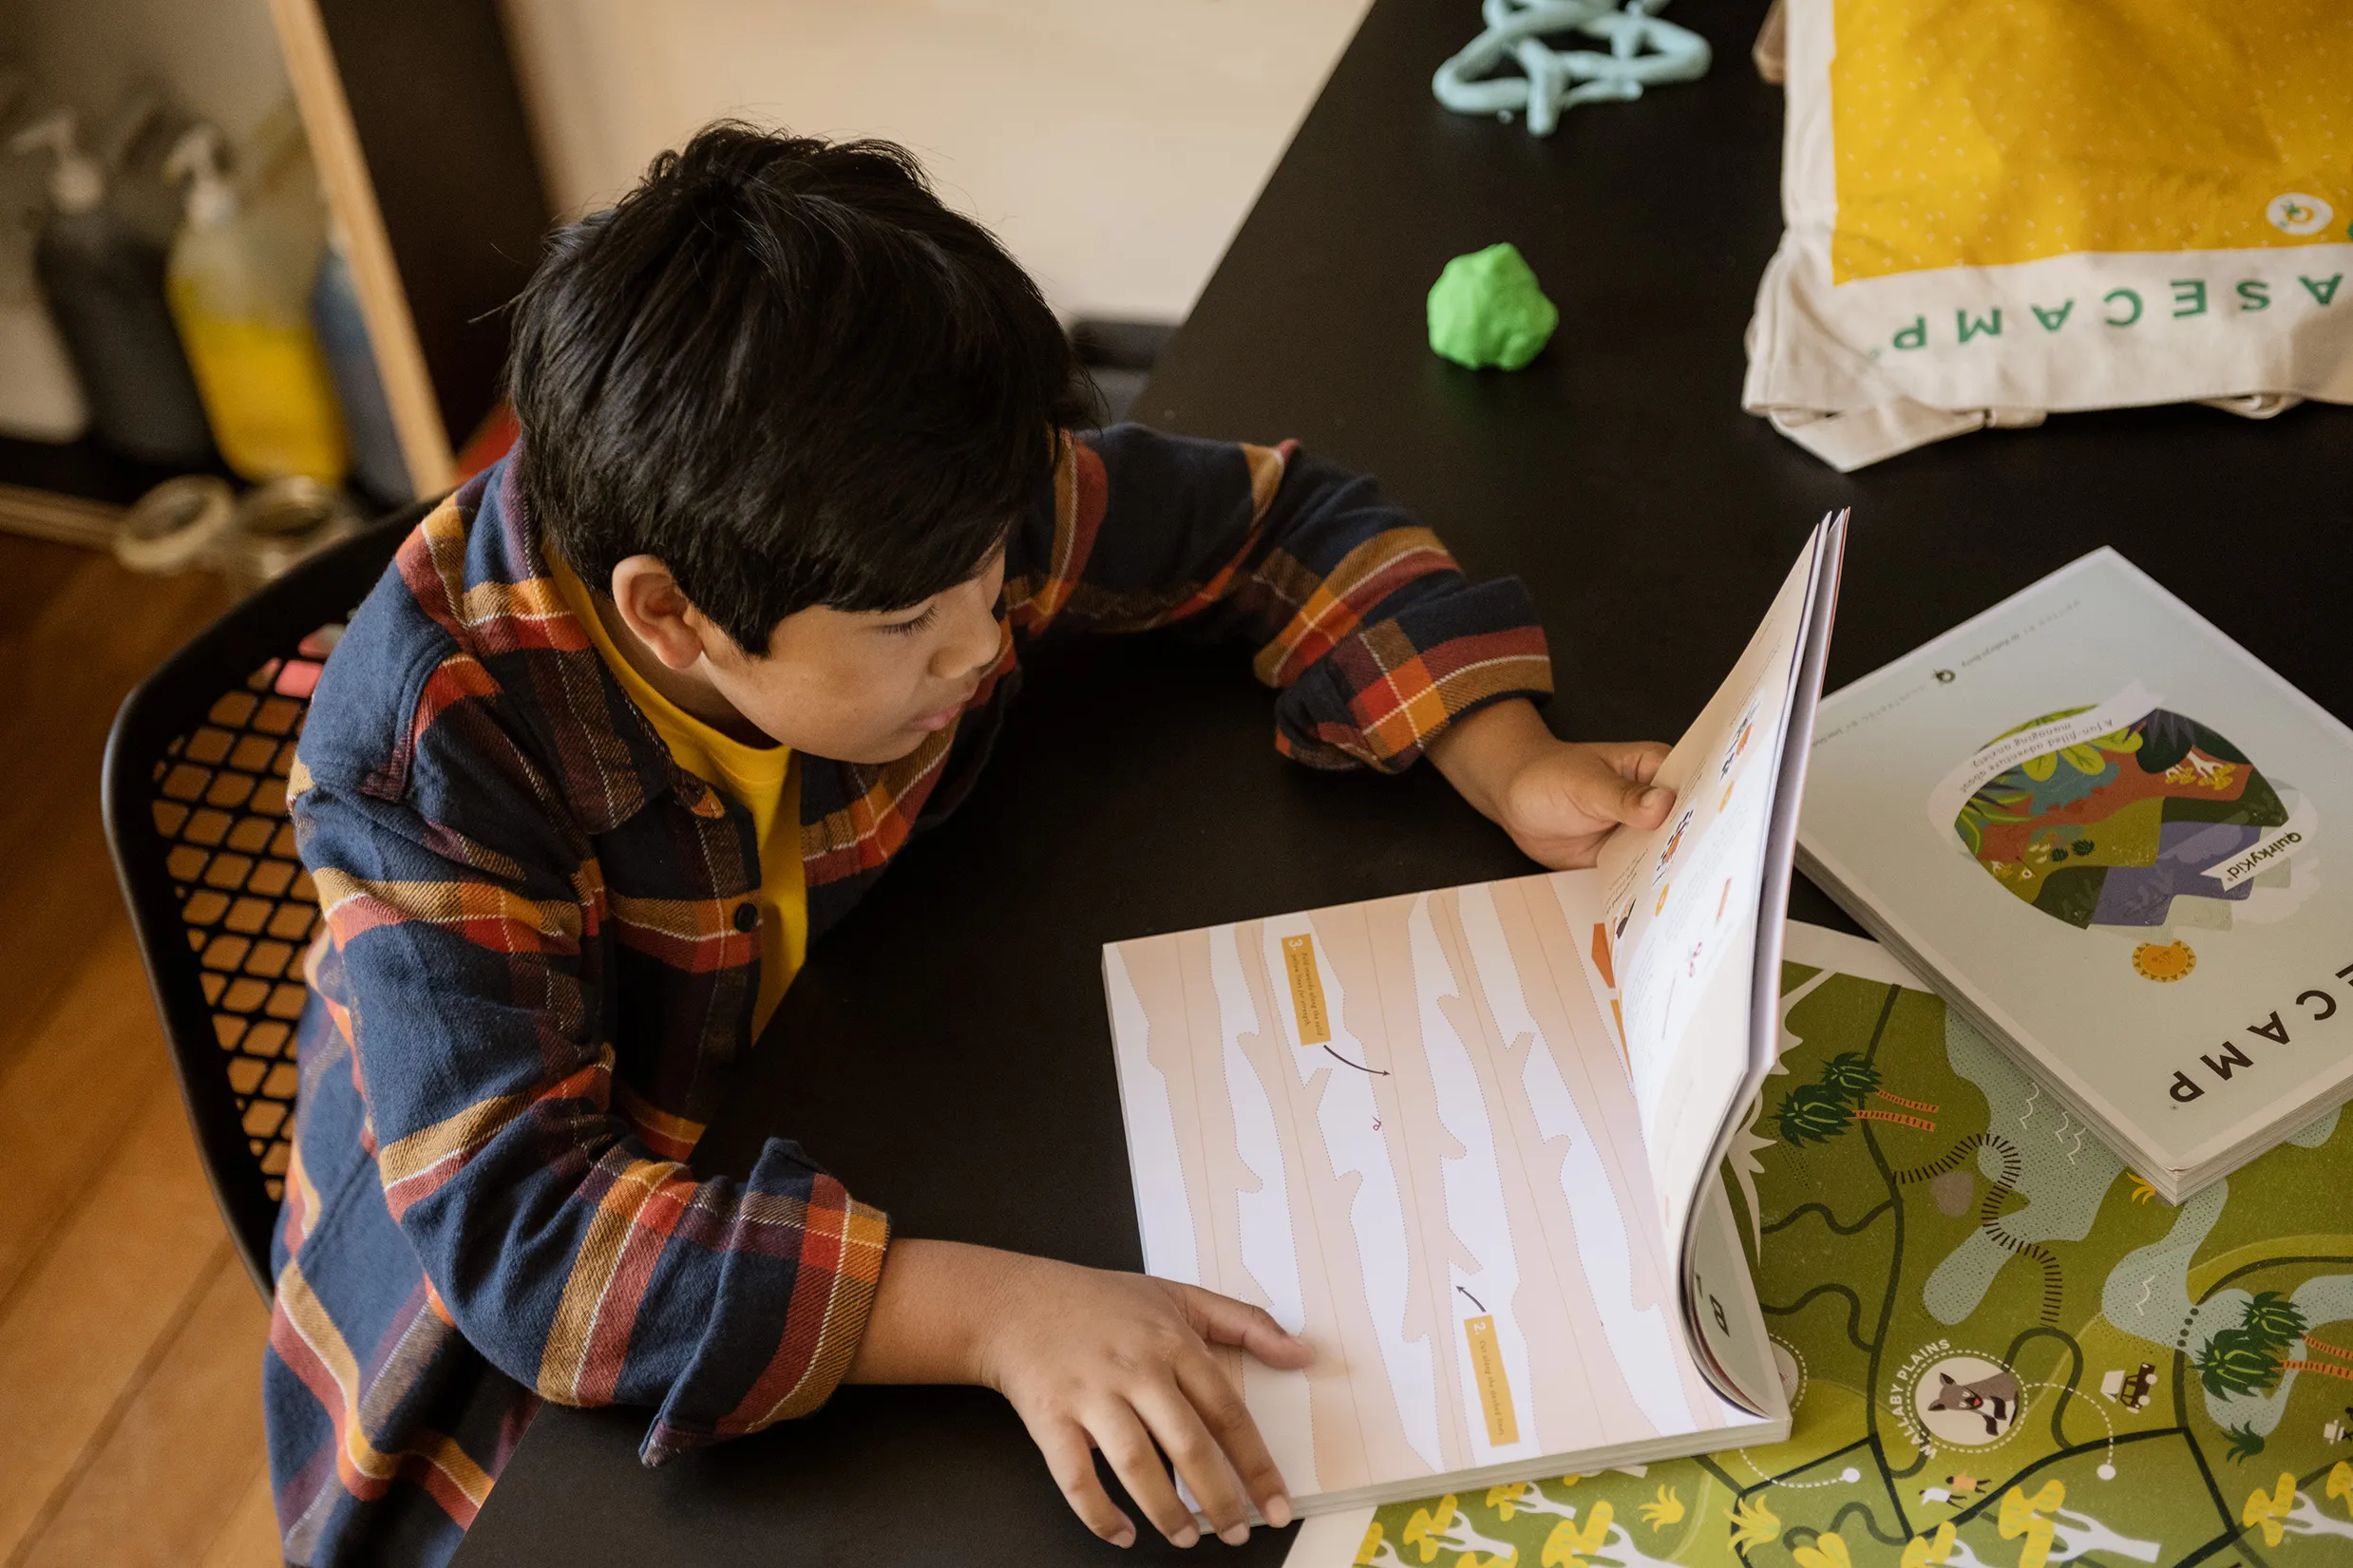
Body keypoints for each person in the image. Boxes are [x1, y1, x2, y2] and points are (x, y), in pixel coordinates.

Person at [266, 122, 1673, 1566]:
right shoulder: (427, 752)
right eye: (910, 634)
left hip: (834, 1076)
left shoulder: (904, 528)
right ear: (672, 616)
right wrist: (999, 1314)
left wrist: (1506, 756)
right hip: (497, 1395)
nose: (984, 643)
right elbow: (537, 1252)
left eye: (998, 583)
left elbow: (1279, 517)